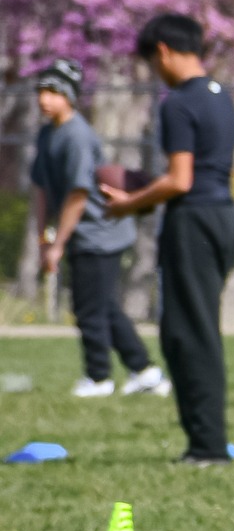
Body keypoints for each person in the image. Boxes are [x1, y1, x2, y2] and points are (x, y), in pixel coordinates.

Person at [104, 13, 234, 464]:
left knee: (187, 333)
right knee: (200, 327)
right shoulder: (221, 97)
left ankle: (206, 446)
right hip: (222, 216)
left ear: (162, 50)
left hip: (193, 220)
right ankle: (207, 441)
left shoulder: (178, 102)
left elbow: (179, 180)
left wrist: (128, 202)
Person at [31, 60, 163, 399]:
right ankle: (145, 371)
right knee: (103, 305)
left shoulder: (76, 136)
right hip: (77, 232)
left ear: (70, 97)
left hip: (100, 233)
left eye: (53, 92)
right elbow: (42, 189)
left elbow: (77, 195)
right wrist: (44, 238)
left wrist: (57, 244)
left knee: (88, 308)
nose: (44, 98)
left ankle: (98, 377)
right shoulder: (47, 134)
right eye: (42, 91)